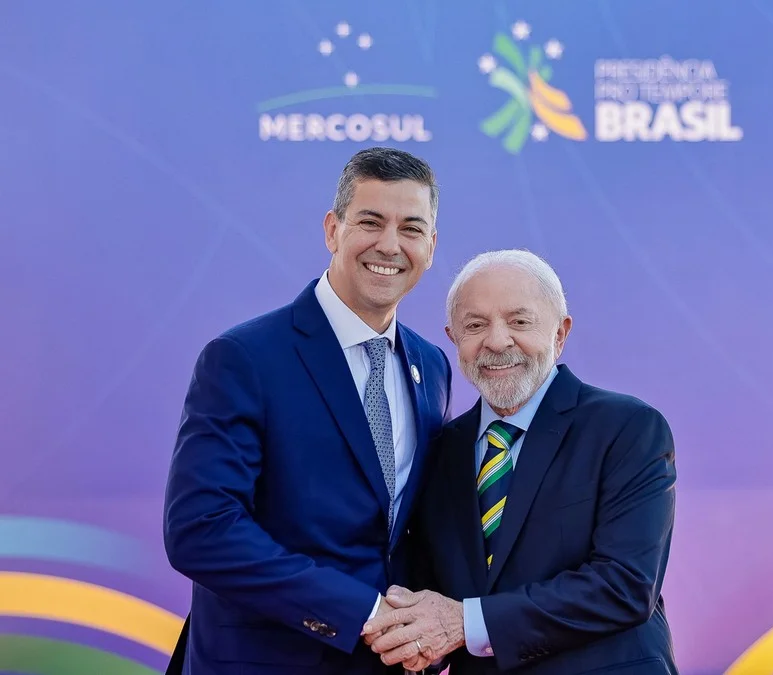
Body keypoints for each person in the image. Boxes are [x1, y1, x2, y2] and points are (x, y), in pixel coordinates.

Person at [162, 147, 453, 675]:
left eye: (411, 228)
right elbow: (201, 530)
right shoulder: (245, 358)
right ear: (332, 230)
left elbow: (407, 529)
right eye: (371, 222)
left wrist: (435, 627)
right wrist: (361, 612)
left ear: (430, 247)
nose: (390, 245)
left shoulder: (431, 365)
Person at [362, 250, 679, 674]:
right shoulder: (438, 450)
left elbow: (625, 585)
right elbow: (430, 593)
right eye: (475, 325)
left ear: (560, 333)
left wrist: (466, 623)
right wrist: (419, 640)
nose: (497, 341)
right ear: (453, 339)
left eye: (519, 321)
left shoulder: (627, 429)